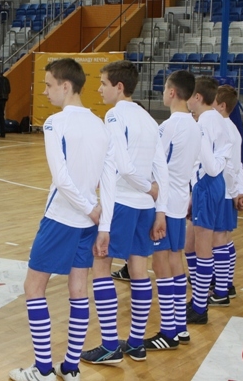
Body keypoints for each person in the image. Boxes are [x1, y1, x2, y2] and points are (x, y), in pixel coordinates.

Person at [8, 58, 110, 381]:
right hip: (88, 222)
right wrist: (101, 219)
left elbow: (62, 180)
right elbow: (108, 179)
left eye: (49, 85)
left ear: (66, 86)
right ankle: (70, 367)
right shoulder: (100, 124)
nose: (45, 91)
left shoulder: (55, 123)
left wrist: (89, 209)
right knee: (79, 289)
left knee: (33, 286)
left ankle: (42, 370)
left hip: (62, 217)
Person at [81, 60, 168, 364]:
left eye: (103, 83)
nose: (99, 89)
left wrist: (148, 188)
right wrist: (160, 208)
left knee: (101, 266)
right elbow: (161, 168)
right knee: (139, 270)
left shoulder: (115, 115)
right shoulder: (148, 118)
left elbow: (124, 166)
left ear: (119, 87)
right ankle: (136, 343)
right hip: (145, 208)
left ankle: (109, 345)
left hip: (122, 203)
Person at [143, 70, 200, 351]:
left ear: (172, 92)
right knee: (175, 259)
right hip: (180, 197)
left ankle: (168, 331)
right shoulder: (194, 125)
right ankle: (180, 327)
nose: (163, 92)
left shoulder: (169, 126)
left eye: (165, 88)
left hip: (163, 203)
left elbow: (157, 166)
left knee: (160, 263)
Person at [183, 76, 232, 324]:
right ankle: (199, 300)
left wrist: (197, 188)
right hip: (209, 186)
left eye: (189, 96)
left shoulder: (203, 122)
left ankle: (200, 307)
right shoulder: (216, 119)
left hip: (207, 184)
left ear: (197, 97)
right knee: (190, 244)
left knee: (202, 247)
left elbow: (209, 166)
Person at [206, 85, 243, 307]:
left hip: (223, 191)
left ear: (221, 106)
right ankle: (227, 284)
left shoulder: (225, 129)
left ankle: (221, 291)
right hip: (227, 190)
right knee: (224, 239)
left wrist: (234, 192)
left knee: (219, 240)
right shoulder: (228, 128)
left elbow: (231, 166)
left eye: (212, 101)